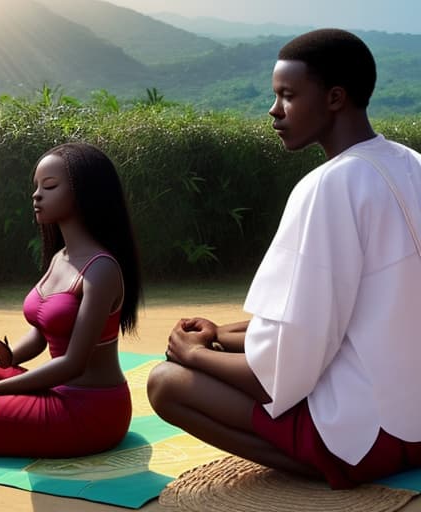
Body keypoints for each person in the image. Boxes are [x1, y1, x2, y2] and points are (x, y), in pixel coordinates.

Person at [147, 28, 421, 489]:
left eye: (287, 96)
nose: (274, 111)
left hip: (370, 442)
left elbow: (274, 377)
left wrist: (195, 356)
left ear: (335, 98)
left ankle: (326, 467)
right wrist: (222, 335)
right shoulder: (411, 163)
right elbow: (323, 321)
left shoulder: (328, 186)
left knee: (165, 382)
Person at [0, 142, 142, 458]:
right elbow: (42, 333)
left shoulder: (101, 269)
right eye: (36, 186)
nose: (36, 195)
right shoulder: (60, 258)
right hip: (52, 389)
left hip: (89, 408)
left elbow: (73, 364)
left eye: (49, 186)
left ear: (84, 193)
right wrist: (11, 357)